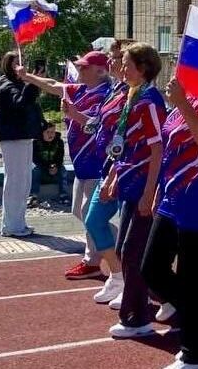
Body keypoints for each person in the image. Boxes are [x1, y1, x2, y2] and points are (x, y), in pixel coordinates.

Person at [141, 78, 198, 368]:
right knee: (151, 269)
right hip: (171, 199)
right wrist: (158, 191)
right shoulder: (180, 103)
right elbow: (170, 151)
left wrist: (182, 103)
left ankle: (196, 356)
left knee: (191, 279)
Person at [19, 50, 114, 279]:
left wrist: (74, 114)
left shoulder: (106, 94)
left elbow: (96, 126)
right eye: (79, 66)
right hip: (80, 163)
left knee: (87, 212)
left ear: (100, 72)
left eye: (84, 67)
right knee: (78, 211)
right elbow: (52, 84)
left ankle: (93, 260)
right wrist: (29, 77)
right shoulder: (78, 90)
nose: (79, 70)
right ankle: (119, 242)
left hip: (97, 162)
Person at [98, 42, 167, 338]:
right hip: (128, 181)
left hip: (142, 186)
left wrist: (149, 192)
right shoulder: (131, 96)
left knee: (132, 252)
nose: (120, 68)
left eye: (126, 63)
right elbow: (124, 145)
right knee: (131, 251)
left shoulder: (149, 102)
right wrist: (113, 175)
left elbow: (157, 150)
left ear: (142, 68)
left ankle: (136, 319)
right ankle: (172, 299)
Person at [81, 49, 130, 304]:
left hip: (126, 170)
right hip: (108, 166)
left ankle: (134, 284)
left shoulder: (133, 94)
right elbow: (99, 124)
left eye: (117, 57)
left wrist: (116, 169)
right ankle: (118, 275)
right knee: (93, 220)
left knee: (129, 232)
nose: (110, 61)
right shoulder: (114, 90)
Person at [0, 51, 43, 237]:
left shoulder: (16, 83)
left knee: (23, 182)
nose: (21, 66)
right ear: (8, 65)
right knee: (16, 182)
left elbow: (30, 106)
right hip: (13, 138)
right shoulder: (7, 86)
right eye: (16, 63)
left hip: (21, 136)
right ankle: (12, 226)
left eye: (22, 62)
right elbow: (21, 102)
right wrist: (32, 82)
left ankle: (17, 223)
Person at [31, 120, 67, 200]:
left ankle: (63, 195)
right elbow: (36, 159)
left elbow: (60, 157)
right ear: (42, 132)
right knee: (35, 170)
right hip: (41, 168)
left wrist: (55, 166)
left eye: (53, 132)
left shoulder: (59, 142)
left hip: (54, 168)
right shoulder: (36, 143)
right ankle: (33, 195)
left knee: (63, 170)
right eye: (48, 132)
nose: (51, 134)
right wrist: (47, 167)